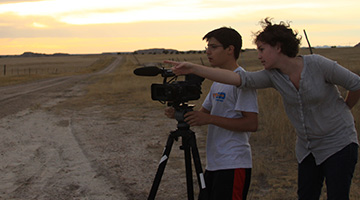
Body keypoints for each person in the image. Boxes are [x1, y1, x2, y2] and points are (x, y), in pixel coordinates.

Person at [166, 18, 360, 200]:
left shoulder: (317, 64)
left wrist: (345, 108)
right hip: (307, 148)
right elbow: (240, 79)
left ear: (278, 47)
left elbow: (356, 84)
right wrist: (193, 68)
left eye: (261, 49)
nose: (258, 55)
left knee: (337, 195)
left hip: (339, 143)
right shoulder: (272, 76)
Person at [165, 27, 258, 200]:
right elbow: (201, 115)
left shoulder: (243, 80)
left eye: (213, 47)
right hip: (215, 164)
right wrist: (178, 113)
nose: (208, 52)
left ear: (230, 49)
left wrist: (209, 119)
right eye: (207, 47)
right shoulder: (218, 82)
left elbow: (251, 124)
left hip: (234, 163)